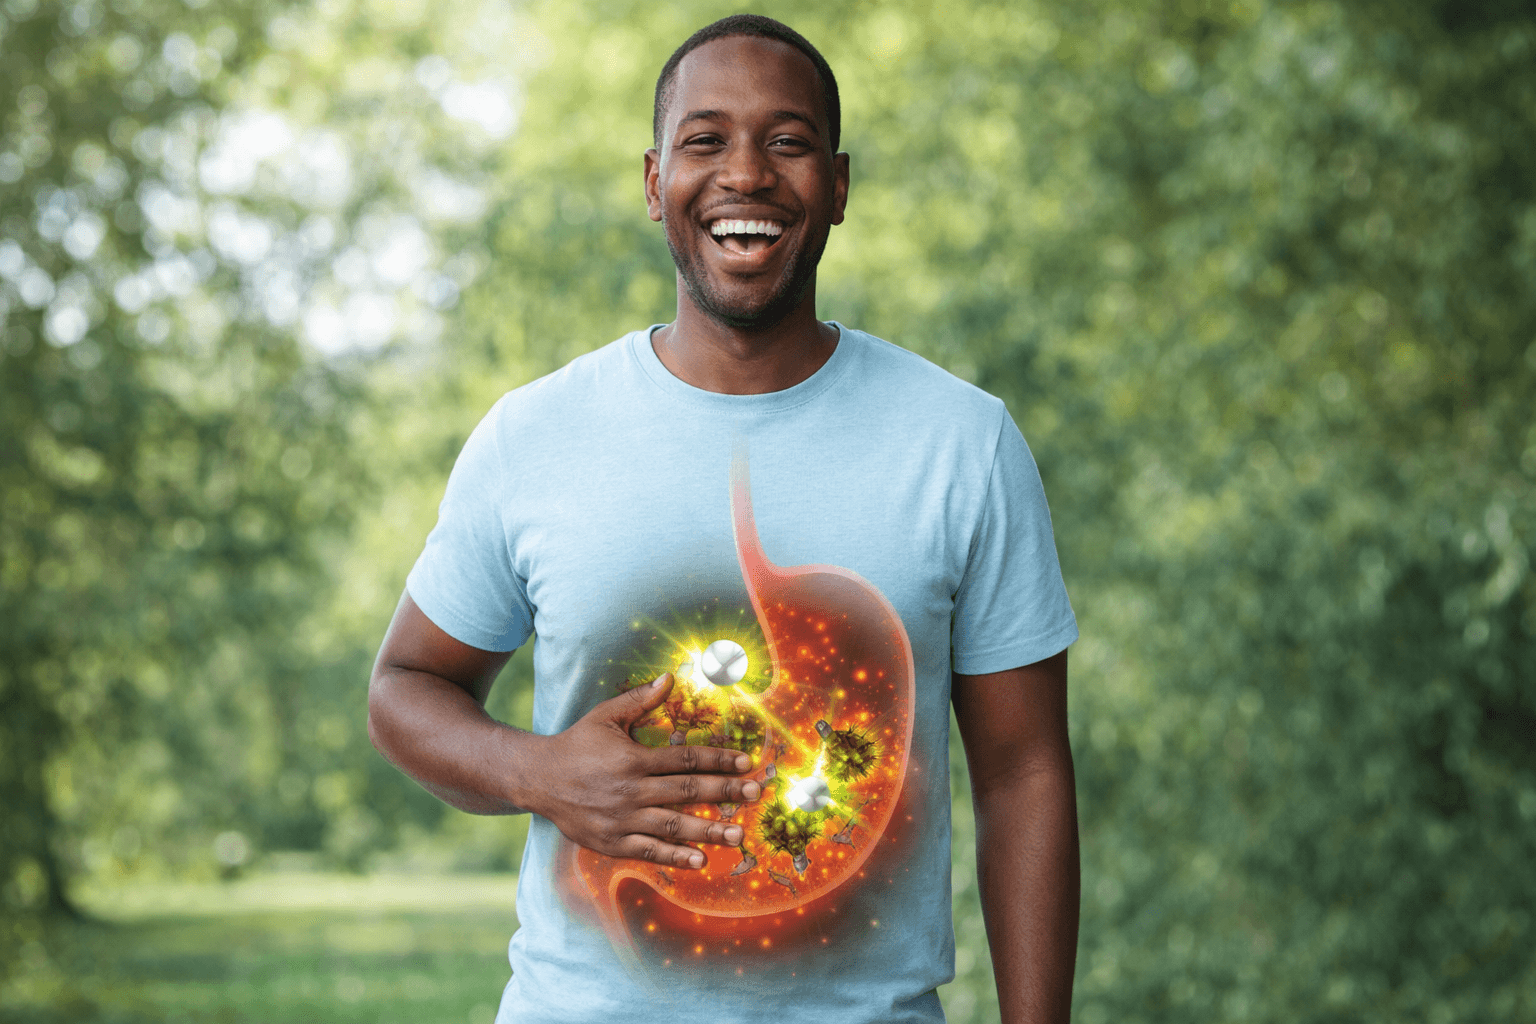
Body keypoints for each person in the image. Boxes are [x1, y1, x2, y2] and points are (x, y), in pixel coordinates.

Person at [368, 14, 1079, 1024]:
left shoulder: (961, 442)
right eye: (706, 141)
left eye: (786, 142)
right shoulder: (534, 436)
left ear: (838, 184)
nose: (745, 172)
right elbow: (403, 688)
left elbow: (1024, 772)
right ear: (655, 182)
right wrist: (540, 771)